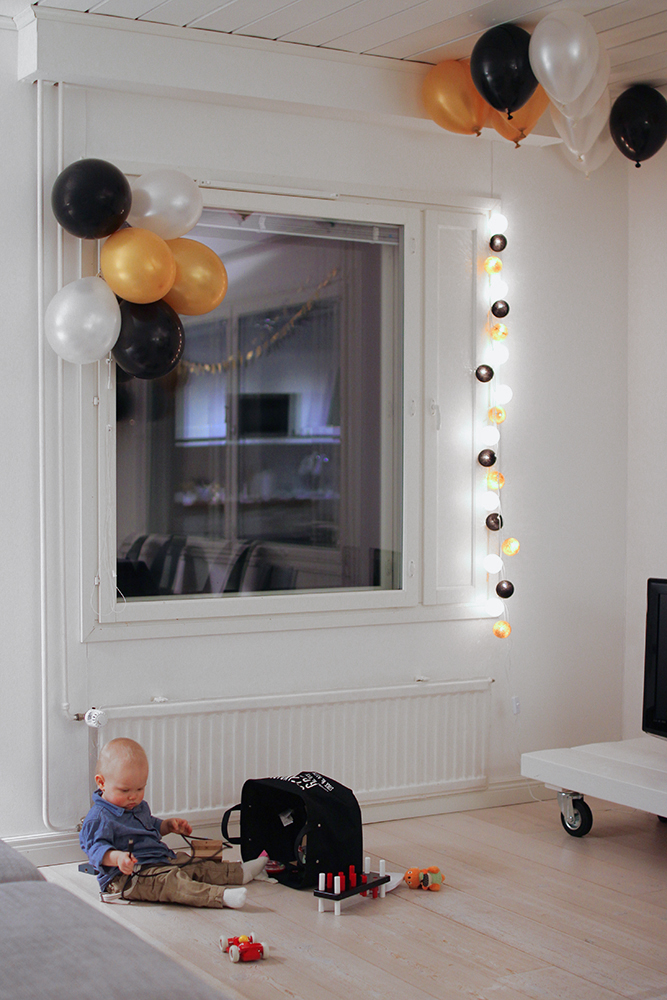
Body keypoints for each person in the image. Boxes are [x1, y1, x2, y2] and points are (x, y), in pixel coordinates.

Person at [80, 737, 266, 907]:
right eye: (125, 790)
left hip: (158, 859)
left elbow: (149, 825)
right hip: (127, 877)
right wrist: (118, 858)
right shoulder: (99, 818)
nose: (133, 796)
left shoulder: (136, 806)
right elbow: (96, 850)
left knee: (193, 863)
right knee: (171, 882)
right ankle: (219, 896)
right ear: (101, 783)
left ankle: (241, 873)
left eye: (140, 789)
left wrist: (167, 826)